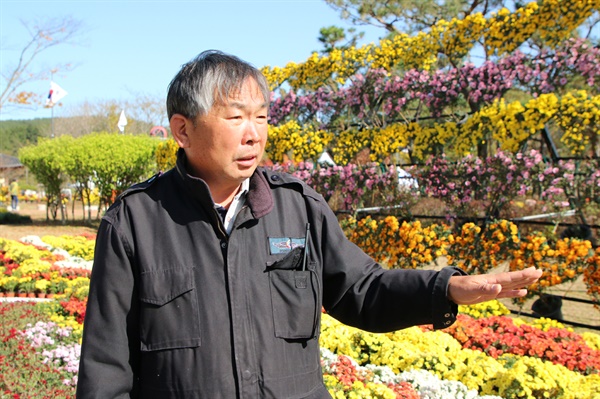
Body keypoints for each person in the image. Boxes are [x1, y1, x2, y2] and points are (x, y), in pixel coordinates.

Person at [76, 50, 542, 399]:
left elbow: (364, 290)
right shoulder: (135, 222)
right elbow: (105, 365)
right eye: (235, 117)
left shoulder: (298, 209)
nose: (253, 133)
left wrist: (446, 289)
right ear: (182, 130)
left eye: (261, 117)